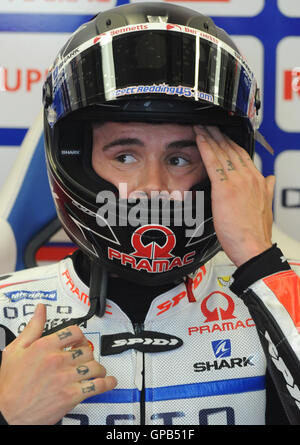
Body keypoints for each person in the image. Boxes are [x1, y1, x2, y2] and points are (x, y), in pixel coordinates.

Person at [0, 1, 299, 426]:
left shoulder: (280, 295)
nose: (153, 187)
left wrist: (257, 257)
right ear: (76, 159)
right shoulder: (5, 309)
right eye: (125, 155)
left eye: (180, 159)